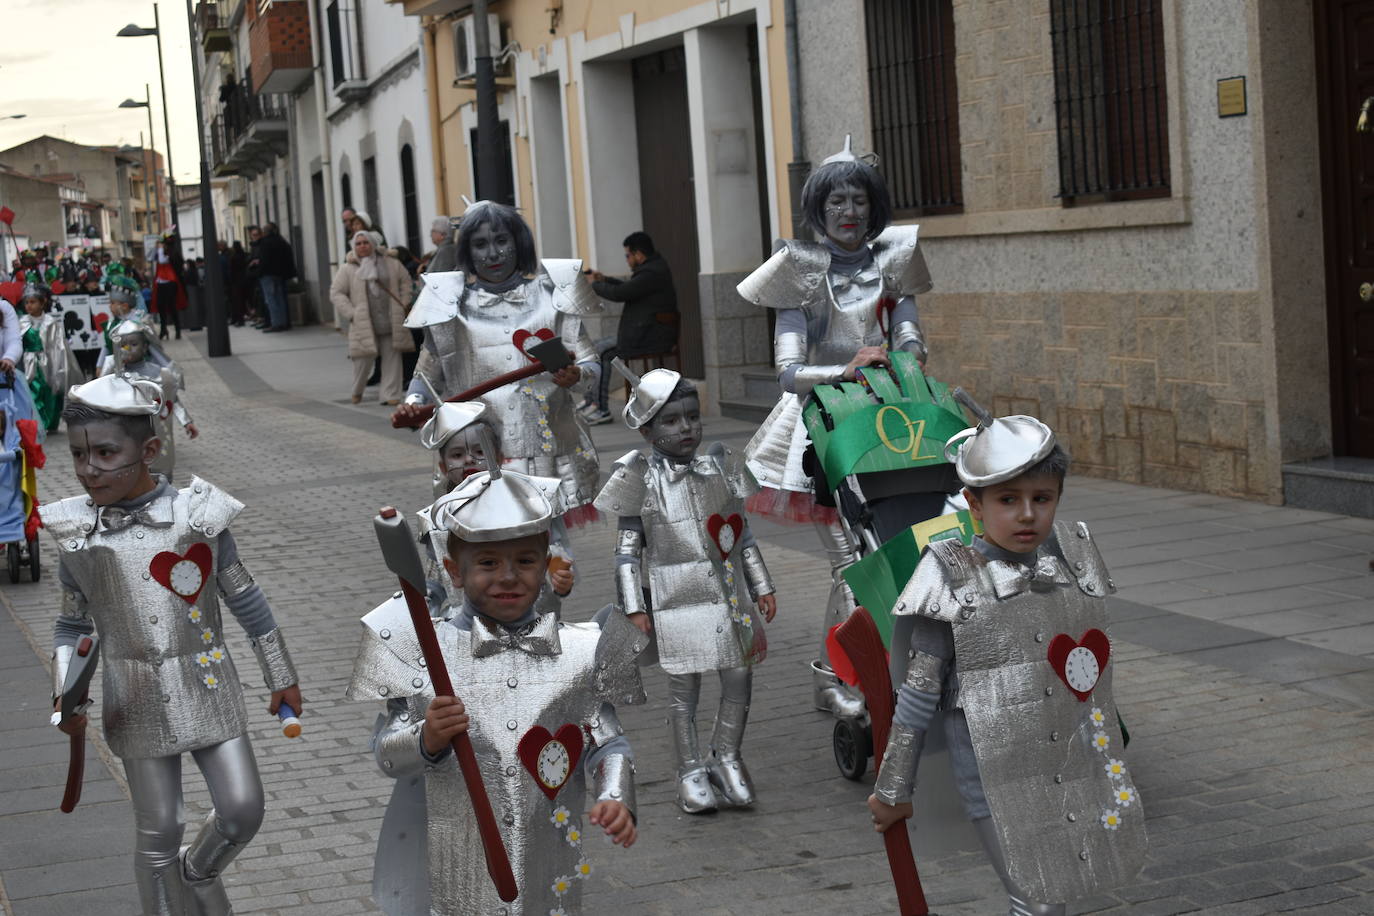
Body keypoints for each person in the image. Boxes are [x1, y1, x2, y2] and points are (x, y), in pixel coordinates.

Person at [867, 402, 1146, 915]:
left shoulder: (1071, 559)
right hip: (996, 779)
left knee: (1057, 894)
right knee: (1036, 898)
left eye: (1041, 498)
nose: (1026, 514)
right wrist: (893, 788)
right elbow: (918, 695)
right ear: (974, 504)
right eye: (1007, 499)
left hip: (1066, 764)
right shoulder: (950, 578)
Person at [44, 374, 302, 916]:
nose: (90, 468)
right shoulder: (77, 534)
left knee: (242, 809)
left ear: (151, 449)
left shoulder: (199, 516)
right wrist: (64, 697)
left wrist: (280, 673)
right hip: (132, 695)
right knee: (159, 829)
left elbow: (246, 599)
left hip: (209, 684)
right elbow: (71, 628)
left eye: (107, 452)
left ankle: (199, 870)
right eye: (79, 455)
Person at [346, 460, 646, 916]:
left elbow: (608, 740)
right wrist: (426, 739)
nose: (508, 576)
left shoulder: (583, 652)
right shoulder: (422, 648)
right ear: (454, 571)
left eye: (525, 561)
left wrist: (615, 795)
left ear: (545, 565)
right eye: (488, 563)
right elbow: (386, 753)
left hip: (547, 860)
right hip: (453, 861)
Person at [738, 135, 933, 717]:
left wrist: (910, 354)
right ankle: (835, 679)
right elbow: (789, 372)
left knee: (903, 546)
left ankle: (897, 667)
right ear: (818, 212)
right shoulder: (799, 273)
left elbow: (910, 337)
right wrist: (846, 367)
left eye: (859, 201)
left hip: (893, 422)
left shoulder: (893, 262)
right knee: (851, 560)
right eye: (836, 203)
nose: (849, 213)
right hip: (823, 429)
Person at [594, 362, 777, 814]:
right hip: (674, 602)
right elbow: (625, 553)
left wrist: (762, 584)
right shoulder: (639, 478)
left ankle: (727, 754)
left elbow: (743, 534)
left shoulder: (720, 465)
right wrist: (635, 607)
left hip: (728, 597)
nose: (686, 428)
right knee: (685, 689)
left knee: (739, 675)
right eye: (671, 421)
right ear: (647, 430)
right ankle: (690, 767)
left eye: (692, 417)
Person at [395, 200, 604, 527]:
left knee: (552, 555)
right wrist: (412, 403)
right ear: (466, 250)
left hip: (546, 453)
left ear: (519, 242)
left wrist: (576, 376)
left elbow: (590, 365)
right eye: (480, 244)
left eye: (501, 241)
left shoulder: (554, 293)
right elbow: (426, 375)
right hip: (475, 456)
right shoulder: (449, 302)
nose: (492, 254)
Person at [413, 396, 575, 619]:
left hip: (534, 622)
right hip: (467, 631)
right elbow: (435, 578)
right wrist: (425, 616)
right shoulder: (437, 518)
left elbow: (556, 554)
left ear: (499, 457)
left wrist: (562, 579)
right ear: (443, 466)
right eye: (457, 455)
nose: (469, 460)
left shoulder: (533, 501)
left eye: (480, 452)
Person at [582, 231, 679, 424]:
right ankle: (592, 402)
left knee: (602, 352)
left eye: (628, 255)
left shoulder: (652, 272)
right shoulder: (652, 269)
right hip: (645, 333)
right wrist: (605, 280)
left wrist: (594, 285)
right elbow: (631, 288)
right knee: (595, 348)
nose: (627, 260)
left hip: (650, 337)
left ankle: (600, 409)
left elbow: (621, 293)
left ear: (638, 254)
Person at [106, 318, 200, 481]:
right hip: (128, 441)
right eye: (122, 345)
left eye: (133, 344)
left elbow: (172, 399)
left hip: (159, 441)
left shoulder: (161, 374)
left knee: (162, 479)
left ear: (145, 347)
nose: (127, 349)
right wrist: (113, 366)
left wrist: (186, 421)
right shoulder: (114, 376)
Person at [330, 230, 414, 405]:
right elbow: (336, 293)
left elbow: (406, 282)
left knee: (392, 358)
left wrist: (403, 302)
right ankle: (357, 390)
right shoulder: (348, 269)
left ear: (373, 244)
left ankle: (391, 395)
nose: (362, 246)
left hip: (390, 319)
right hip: (363, 322)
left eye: (365, 242)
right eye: (358, 243)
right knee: (362, 359)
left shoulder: (391, 263)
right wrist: (351, 313)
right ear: (354, 246)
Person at [17, 282, 78, 431]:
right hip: (29, 362)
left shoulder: (51, 323)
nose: (29, 306)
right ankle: (37, 423)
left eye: (33, 302)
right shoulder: (22, 323)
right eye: (26, 302)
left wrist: (59, 367)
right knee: (32, 391)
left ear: (42, 303)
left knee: (49, 391)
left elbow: (59, 346)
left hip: (49, 362)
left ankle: (50, 423)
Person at [256, 222, 298, 333]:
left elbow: (264, 260)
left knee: (271, 300)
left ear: (265, 232)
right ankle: (283, 322)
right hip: (280, 275)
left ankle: (276, 323)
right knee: (280, 299)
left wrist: (259, 272)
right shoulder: (282, 241)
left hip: (268, 274)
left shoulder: (265, 243)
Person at [151, 231, 187, 341]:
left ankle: (177, 329)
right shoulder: (162, 252)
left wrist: (160, 248)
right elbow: (152, 258)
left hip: (170, 282)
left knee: (172, 307)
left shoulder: (171, 254)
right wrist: (157, 248)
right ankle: (163, 329)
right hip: (161, 282)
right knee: (161, 307)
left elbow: (162, 261)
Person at [227, 241, 250, 327]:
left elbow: (231, 270)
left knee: (238, 301)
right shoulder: (244, 255)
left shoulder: (234, 257)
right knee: (243, 300)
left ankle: (240, 320)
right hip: (244, 279)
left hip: (236, 281)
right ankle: (244, 317)